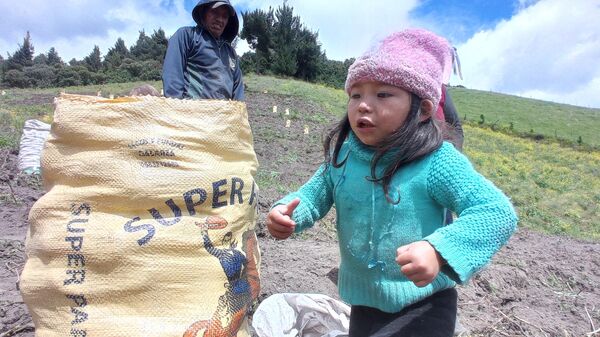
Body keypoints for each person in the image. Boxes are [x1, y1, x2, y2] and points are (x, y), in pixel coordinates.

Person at [266, 28, 518, 337]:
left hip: (425, 303)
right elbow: (313, 195)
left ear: (423, 109)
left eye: (383, 94)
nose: (363, 105)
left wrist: (438, 251)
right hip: (364, 302)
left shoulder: (436, 161)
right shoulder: (343, 158)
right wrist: (289, 212)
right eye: (356, 94)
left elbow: (496, 211)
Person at [162, 0, 244, 100]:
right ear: (203, 12)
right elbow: (172, 80)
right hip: (192, 112)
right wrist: (176, 111)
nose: (220, 19)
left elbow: (238, 90)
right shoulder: (187, 37)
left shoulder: (230, 53)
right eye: (215, 12)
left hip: (224, 114)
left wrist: (239, 112)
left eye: (225, 16)